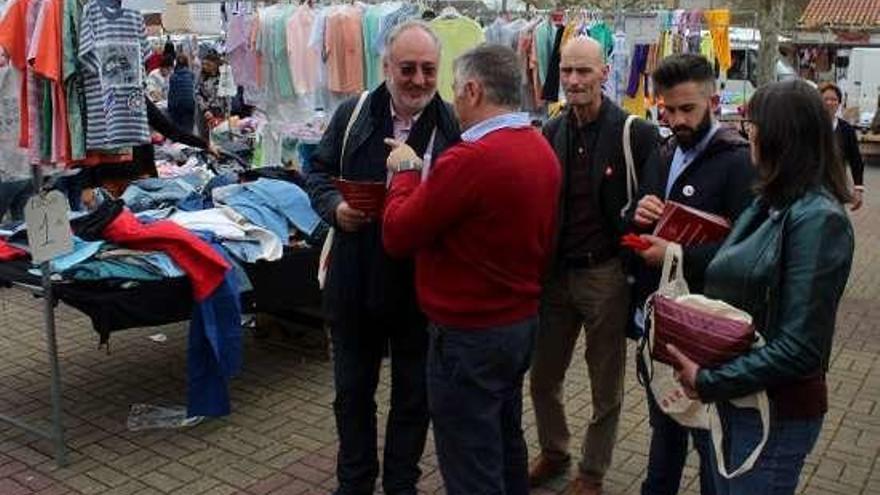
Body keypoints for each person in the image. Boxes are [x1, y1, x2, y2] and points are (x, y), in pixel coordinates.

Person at [382, 43, 561, 495]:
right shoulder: (539, 147)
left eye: (456, 91)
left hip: (468, 335)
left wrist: (405, 170)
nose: (454, 102)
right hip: (517, 323)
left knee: (469, 462)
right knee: (504, 438)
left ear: (474, 90)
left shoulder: (470, 159)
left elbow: (398, 234)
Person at [668, 79, 854, 495]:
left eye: (752, 125)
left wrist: (710, 379)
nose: (744, 133)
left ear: (779, 138)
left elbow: (801, 347)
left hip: (775, 411)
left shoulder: (817, 218)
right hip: (738, 399)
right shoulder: (770, 201)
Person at [305, 21, 460, 495]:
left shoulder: (453, 124)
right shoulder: (354, 113)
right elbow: (316, 172)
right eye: (407, 68)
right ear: (387, 66)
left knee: (414, 397)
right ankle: (354, 483)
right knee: (352, 395)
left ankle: (400, 484)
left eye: (428, 69)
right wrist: (335, 208)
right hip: (354, 280)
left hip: (419, 286)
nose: (417, 80)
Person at [528, 36, 659, 495]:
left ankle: (593, 471)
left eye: (584, 72)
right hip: (557, 274)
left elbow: (654, 197)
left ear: (605, 73)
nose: (574, 81)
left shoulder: (634, 132)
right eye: (567, 72)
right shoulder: (552, 130)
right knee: (543, 377)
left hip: (605, 274)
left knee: (605, 384)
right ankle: (555, 450)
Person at [629, 54, 755, 495]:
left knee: (707, 437)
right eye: (668, 109)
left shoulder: (738, 161)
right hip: (659, 320)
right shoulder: (663, 151)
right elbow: (640, 221)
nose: (677, 119)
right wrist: (639, 214)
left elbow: (745, 251)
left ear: (713, 101)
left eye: (688, 109)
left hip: (706, 325)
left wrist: (677, 253)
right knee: (663, 426)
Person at [819, 82, 865, 211]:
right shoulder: (809, 127)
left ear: (839, 103)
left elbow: (856, 160)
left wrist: (858, 189)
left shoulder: (847, 130)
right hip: (811, 187)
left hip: (836, 187)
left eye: (834, 99)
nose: (830, 103)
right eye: (825, 99)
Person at [196, 51, 224, 139]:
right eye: (203, 64)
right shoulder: (202, 76)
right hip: (204, 112)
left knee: (219, 137)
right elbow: (197, 93)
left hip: (219, 112)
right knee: (204, 138)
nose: (205, 67)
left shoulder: (223, 77)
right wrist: (205, 110)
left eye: (208, 64)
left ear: (216, 64)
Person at [167, 54, 196, 134]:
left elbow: (171, 94)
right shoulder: (191, 75)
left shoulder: (173, 77)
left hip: (177, 106)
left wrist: (170, 108)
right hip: (190, 105)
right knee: (188, 127)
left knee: (177, 129)